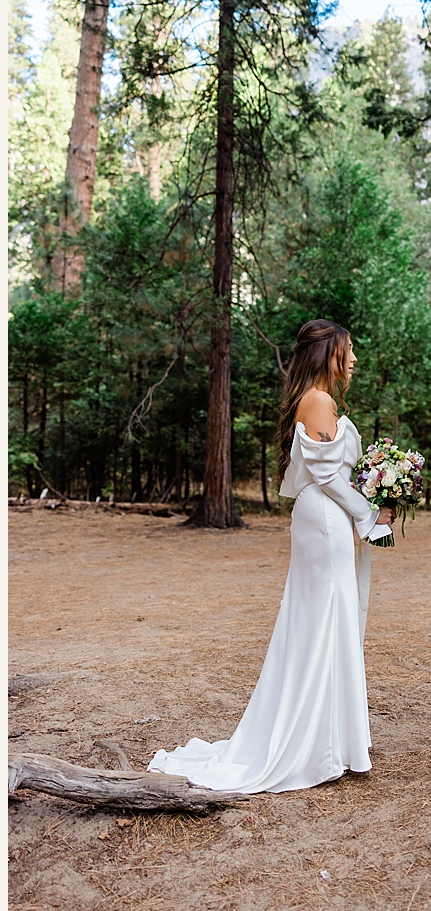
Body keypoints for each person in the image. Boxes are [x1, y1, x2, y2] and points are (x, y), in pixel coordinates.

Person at [151, 320, 395, 792]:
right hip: (324, 520)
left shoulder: (319, 399)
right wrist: (372, 518)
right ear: (328, 354)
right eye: (349, 350)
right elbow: (327, 477)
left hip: (326, 518)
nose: (355, 359)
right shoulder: (319, 401)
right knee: (325, 620)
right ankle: (313, 745)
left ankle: (332, 739)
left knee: (329, 620)